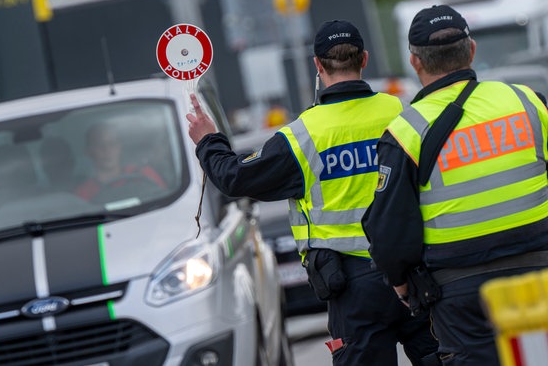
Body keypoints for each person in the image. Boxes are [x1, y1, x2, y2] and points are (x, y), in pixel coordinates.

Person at [186, 19, 438, 366]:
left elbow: (234, 178)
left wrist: (207, 140)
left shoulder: (302, 136)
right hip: (415, 273)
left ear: (318, 65)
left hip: (352, 289)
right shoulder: (401, 113)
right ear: (363, 59)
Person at [362, 4, 548, 365]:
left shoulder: (406, 131)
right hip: (540, 271)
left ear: (415, 62)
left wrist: (402, 285)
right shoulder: (526, 102)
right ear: (472, 49)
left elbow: (389, 230)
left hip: (462, 293)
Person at [77, 123, 166, 202]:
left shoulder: (144, 174)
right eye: (99, 145)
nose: (107, 150)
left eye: (112, 143)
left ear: (120, 147)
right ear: (89, 151)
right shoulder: (83, 194)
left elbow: (165, 204)